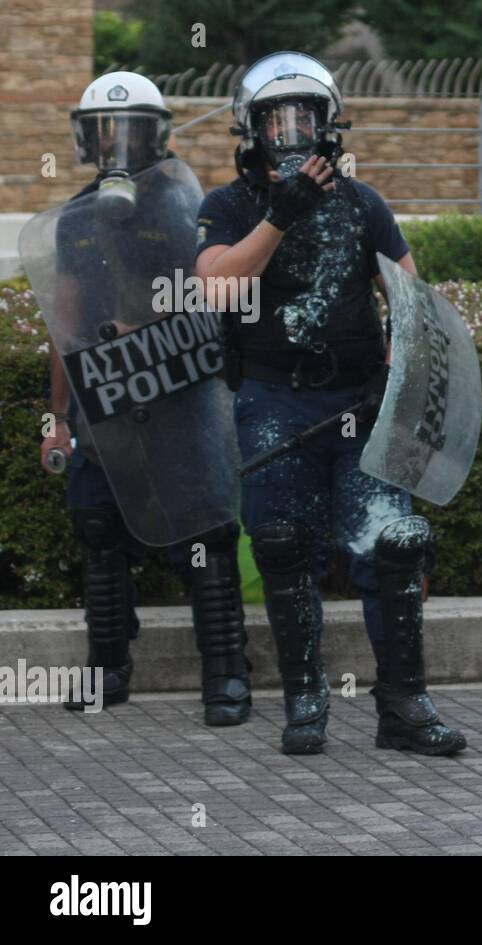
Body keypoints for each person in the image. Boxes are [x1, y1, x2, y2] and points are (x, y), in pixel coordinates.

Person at [194, 51, 464, 757]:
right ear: (249, 131)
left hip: (359, 406)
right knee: (284, 545)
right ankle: (306, 700)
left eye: (306, 119)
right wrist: (280, 218)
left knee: (396, 546)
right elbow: (217, 287)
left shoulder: (364, 202)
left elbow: (411, 304)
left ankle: (403, 705)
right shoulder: (228, 206)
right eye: (276, 121)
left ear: (330, 126)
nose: (293, 134)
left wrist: (391, 375)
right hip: (275, 400)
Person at [40, 71, 250, 725]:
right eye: (105, 129)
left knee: (207, 530)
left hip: (180, 398)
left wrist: (150, 329)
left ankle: (225, 675)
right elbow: (65, 323)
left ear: (156, 133)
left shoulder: (188, 208)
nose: (116, 143)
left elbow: (213, 301)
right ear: (87, 137)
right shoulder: (76, 218)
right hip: (104, 403)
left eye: (128, 128)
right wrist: (57, 417)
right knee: (98, 526)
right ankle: (108, 670)